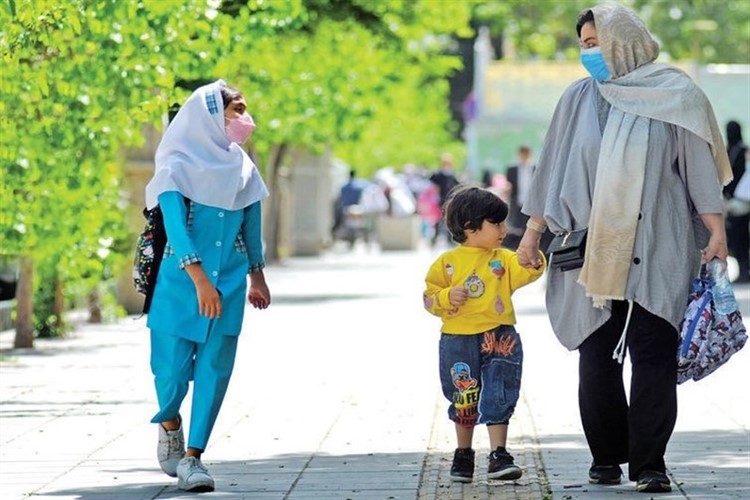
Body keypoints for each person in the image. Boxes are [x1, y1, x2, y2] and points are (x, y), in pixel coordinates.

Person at [516, 5, 732, 494]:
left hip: (660, 245)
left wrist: (715, 232)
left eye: (597, 43)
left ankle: (650, 463)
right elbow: (551, 166)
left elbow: (698, 168)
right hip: (591, 250)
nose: (588, 53)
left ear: (625, 40)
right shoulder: (577, 98)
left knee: (652, 352)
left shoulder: (677, 94)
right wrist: (532, 234)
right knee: (597, 352)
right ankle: (606, 458)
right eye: (584, 45)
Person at [143, 79, 271, 492]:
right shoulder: (174, 167)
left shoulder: (244, 168)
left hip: (231, 282)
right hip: (180, 284)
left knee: (216, 368)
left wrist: (257, 275)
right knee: (170, 371)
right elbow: (176, 230)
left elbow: (252, 227)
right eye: (236, 110)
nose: (243, 119)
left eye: (244, 110)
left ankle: (194, 457)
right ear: (211, 116)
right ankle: (170, 421)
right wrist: (199, 279)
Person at [422, 185, 546, 483]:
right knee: (463, 394)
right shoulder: (446, 264)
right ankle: (463, 452)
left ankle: (499, 453)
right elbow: (429, 297)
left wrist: (533, 257)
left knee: (500, 390)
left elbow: (528, 269)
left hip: (500, 337)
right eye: (497, 223)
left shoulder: (503, 260)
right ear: (470, 227)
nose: (504, 229)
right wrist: (446, 297)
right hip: (458, 339)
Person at [504, 146, 553, 252]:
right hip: (519, 204)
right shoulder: (512, 170)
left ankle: (539, 249)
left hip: (535, 205)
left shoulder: (537, 168)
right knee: (522, 229)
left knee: (537, 228)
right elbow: (510, 186)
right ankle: (523, 250)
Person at [724, 120, 749, 282]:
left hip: (735, 202)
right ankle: (744, 270)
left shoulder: (728, 151)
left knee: (737, 237)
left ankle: (744, 271)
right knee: (742, 237)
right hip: (742, 201)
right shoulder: (744, 150)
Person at [429, 153, 461, 246]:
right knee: (438, 220)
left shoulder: (452, 174)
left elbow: (457, 185)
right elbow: (433, 186)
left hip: (450, 200)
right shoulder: (437, 174)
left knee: (450, 219)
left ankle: (450, 238)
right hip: (440, 200)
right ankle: (435, 238)